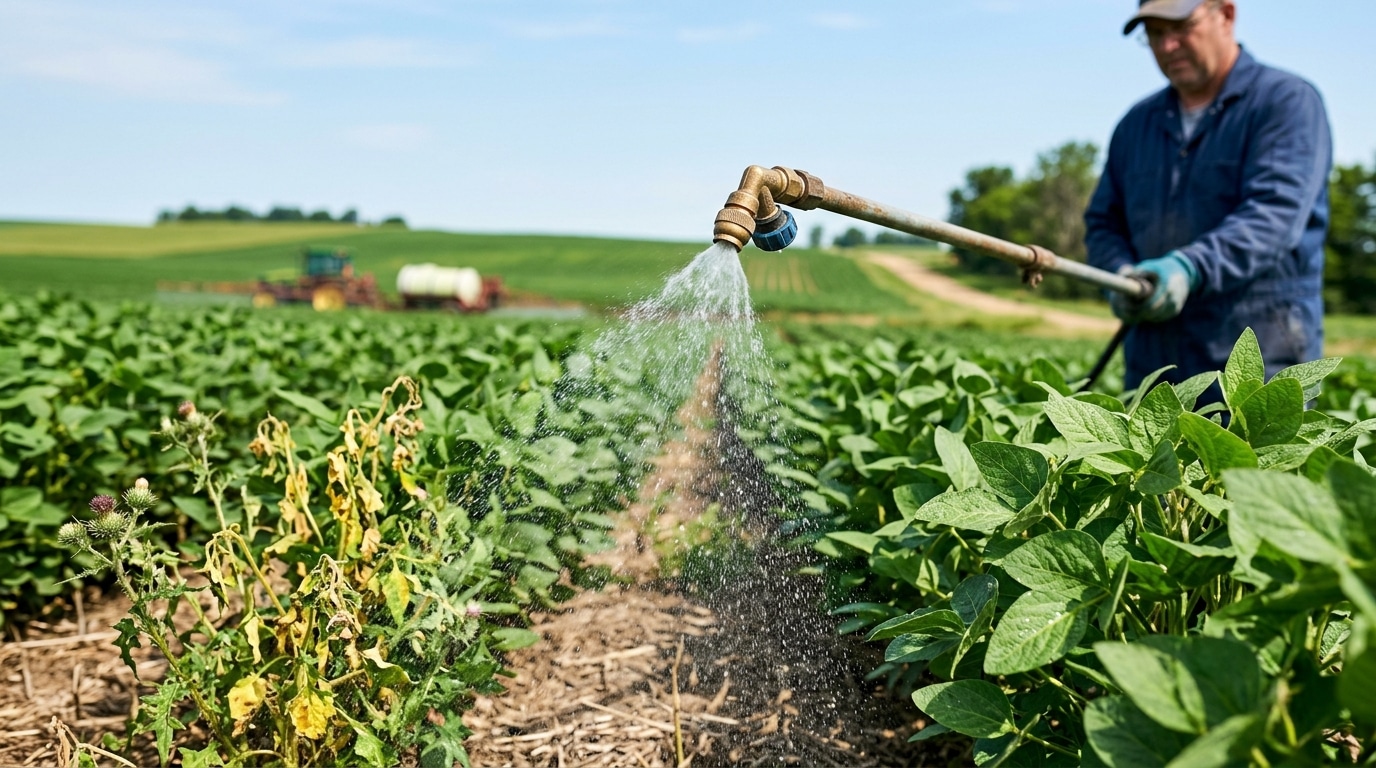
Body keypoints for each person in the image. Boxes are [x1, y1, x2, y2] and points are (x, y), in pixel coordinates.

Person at [1084, 0, 1332, 391]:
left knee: (1251, 433)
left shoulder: (1284, 102)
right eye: (1155, 34)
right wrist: (1119, 275)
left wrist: (1189, 267)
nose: (1167, 46)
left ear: (1226, 15)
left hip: (1257, 348)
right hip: (1154, 354)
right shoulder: (1136, 124)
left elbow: (1275, 213)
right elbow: (1103, 222)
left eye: (1182, 27)